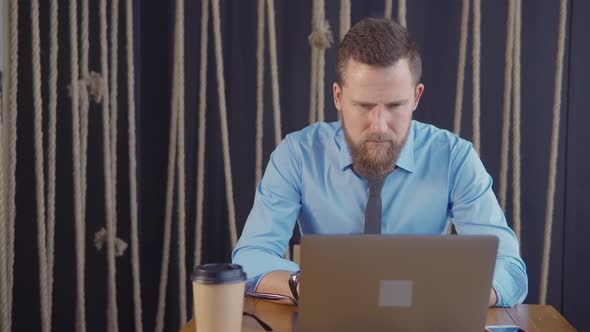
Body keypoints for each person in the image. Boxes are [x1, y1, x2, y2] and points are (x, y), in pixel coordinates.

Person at [232, 17, 527, 307]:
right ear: (338, 96)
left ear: (416, 97)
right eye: (364, 105)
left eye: (395, 105)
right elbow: (251, 255)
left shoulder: (454, 158)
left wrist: (446, 297)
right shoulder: (297, 154)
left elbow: (509, 269)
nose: (380, 125)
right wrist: (303, 285)